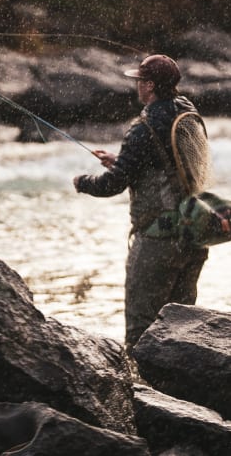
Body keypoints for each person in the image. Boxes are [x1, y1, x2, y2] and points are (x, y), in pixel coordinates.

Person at [73, 54, 209, 354]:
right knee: (183, 326)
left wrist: (83, 182)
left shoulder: (143, 127)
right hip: (195, 231)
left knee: (141, 331)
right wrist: (121, 162)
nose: (136, 86)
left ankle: (142, 397)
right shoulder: (187, 110)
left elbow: (113, 185)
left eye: (139, 81)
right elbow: (170, 164)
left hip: (158, 240)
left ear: (149, 85)